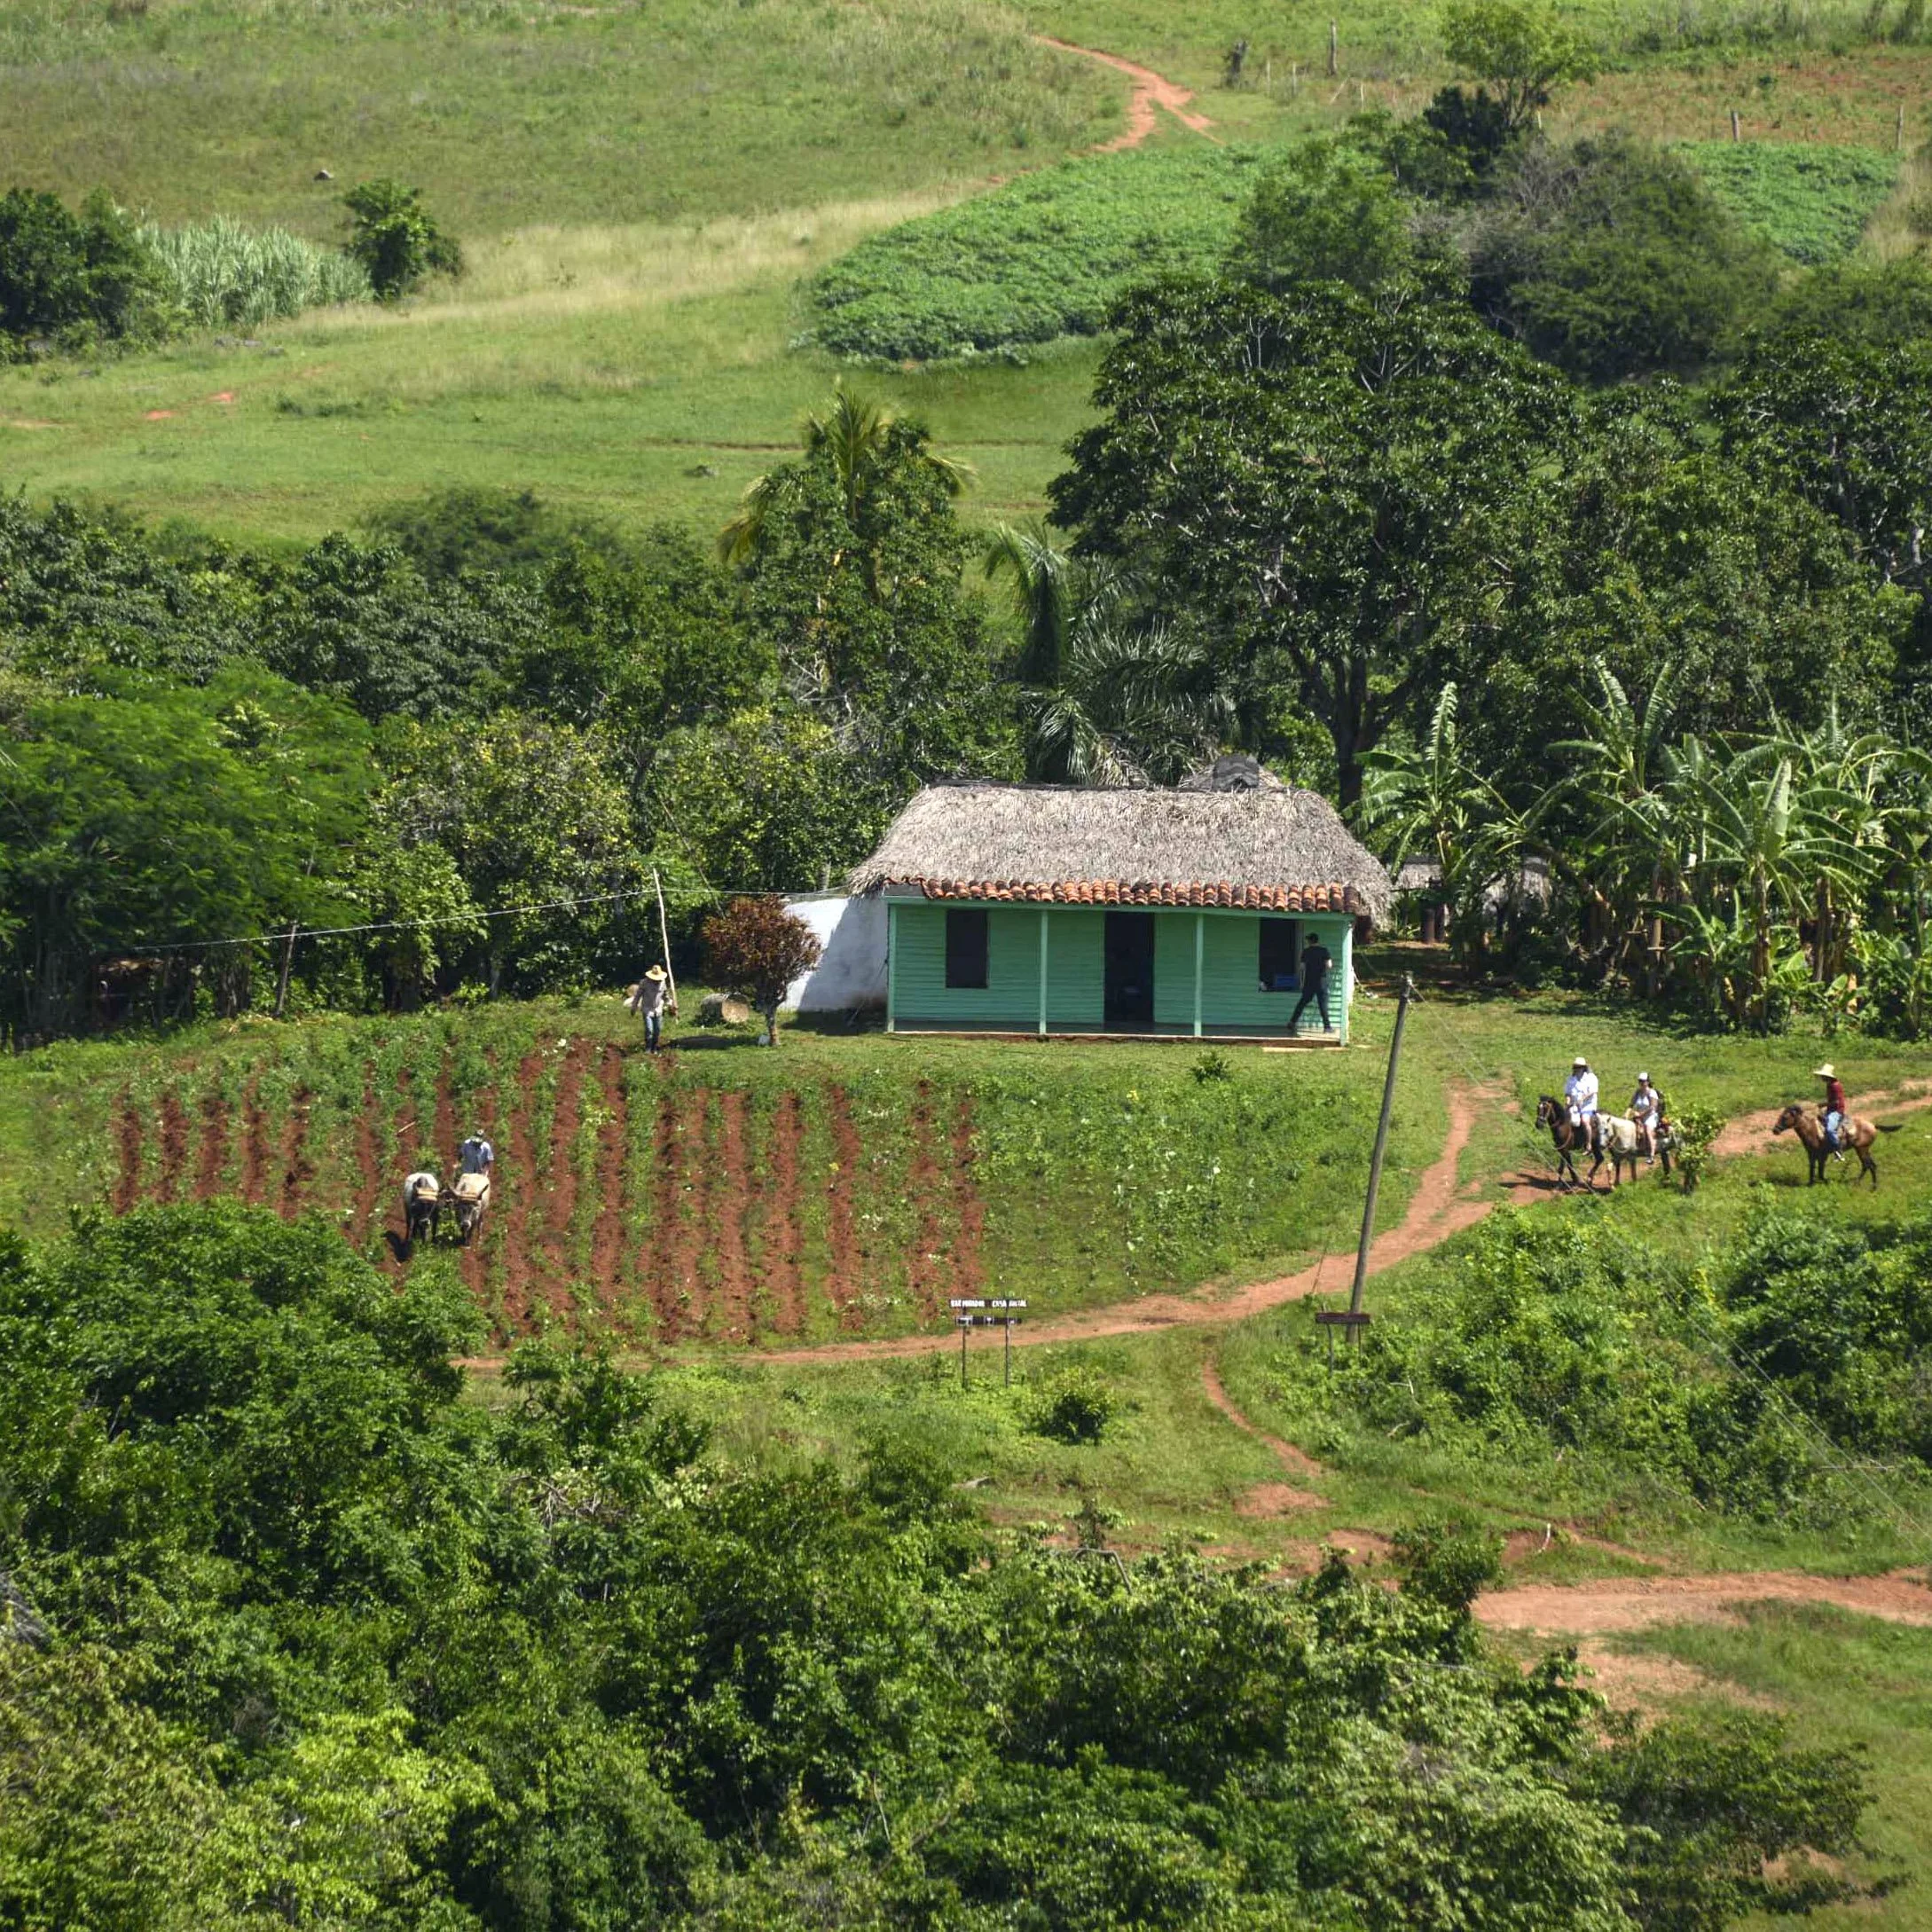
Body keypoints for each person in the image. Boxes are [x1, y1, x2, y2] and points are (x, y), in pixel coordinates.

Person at [1288, 932, 1333, 1035]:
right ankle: (1327, 1027)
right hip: (1321, 981)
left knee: (1303, 1002)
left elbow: (1302, 967)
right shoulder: (1324, 951)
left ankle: (1292, 1022)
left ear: (1309, 941)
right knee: (1323, 1004)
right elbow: (1329, 965)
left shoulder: (1306, 952)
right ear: (1317, 941)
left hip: (1309, 981)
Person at [629, 962, 674, 1052]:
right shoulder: (644, 983)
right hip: (647, 1009)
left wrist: (671, 1004)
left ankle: (655, 1046)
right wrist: (634, 1007)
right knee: (649, 1029)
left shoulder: (663, 983)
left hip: (658, 1009)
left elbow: (665, 996)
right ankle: (648, 1047)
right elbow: (638, 995)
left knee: (657, 1030)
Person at [1565, 1055, 1599, 1151]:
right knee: (1566, 1119)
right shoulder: (1571, 1079)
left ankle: (1588, 1144)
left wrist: (1583, 1099)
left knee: (1584, 1121)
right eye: (1576, 1067)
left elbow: (1593, 1091)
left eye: (1579, 1067)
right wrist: (1567, 1102)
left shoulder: (1591, 1077)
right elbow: (1568, 1093)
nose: (1577, 1069)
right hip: (1574, 1105)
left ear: (1583, 1068)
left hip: (1588, 1105)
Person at [1629, 1072, 1662, 1164]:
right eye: (1640, 1081)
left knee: (1648, 1130)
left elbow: (1652, 1106)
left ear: (1647, 1082)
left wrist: (1641, 1114)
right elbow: (1631, 1104)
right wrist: (1628, 1112)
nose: (1641, 1083)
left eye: (1643, 1081)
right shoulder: (1638, 1092)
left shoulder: (1652, 1092)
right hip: (1639, 1116)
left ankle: (1651, 1154)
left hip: (1651, 1116)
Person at [1817, 1063, 1848, 1157]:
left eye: (1823, 1076)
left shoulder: (1835, 1086)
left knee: (1830, 1130)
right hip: (1831, 1109)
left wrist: (1824, 1104)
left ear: (1827, 1076)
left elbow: (1836, 1102)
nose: (1821, 1077)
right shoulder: (1829, 1085)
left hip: (1837, 1110)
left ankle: (1838, 1149)